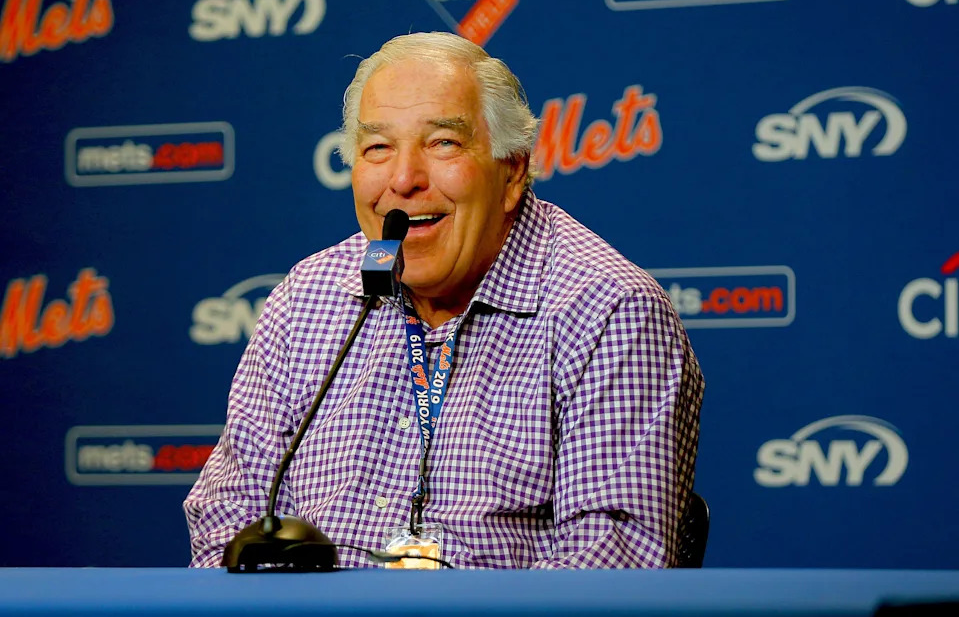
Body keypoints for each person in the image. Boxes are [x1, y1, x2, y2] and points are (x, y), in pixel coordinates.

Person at [184, 31, 704, 569]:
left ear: (512, 171)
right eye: (378, 148)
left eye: (443, 143)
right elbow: (229, 516)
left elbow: (610, 568)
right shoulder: (307, 298)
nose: (404, 180)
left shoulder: (609, 311)